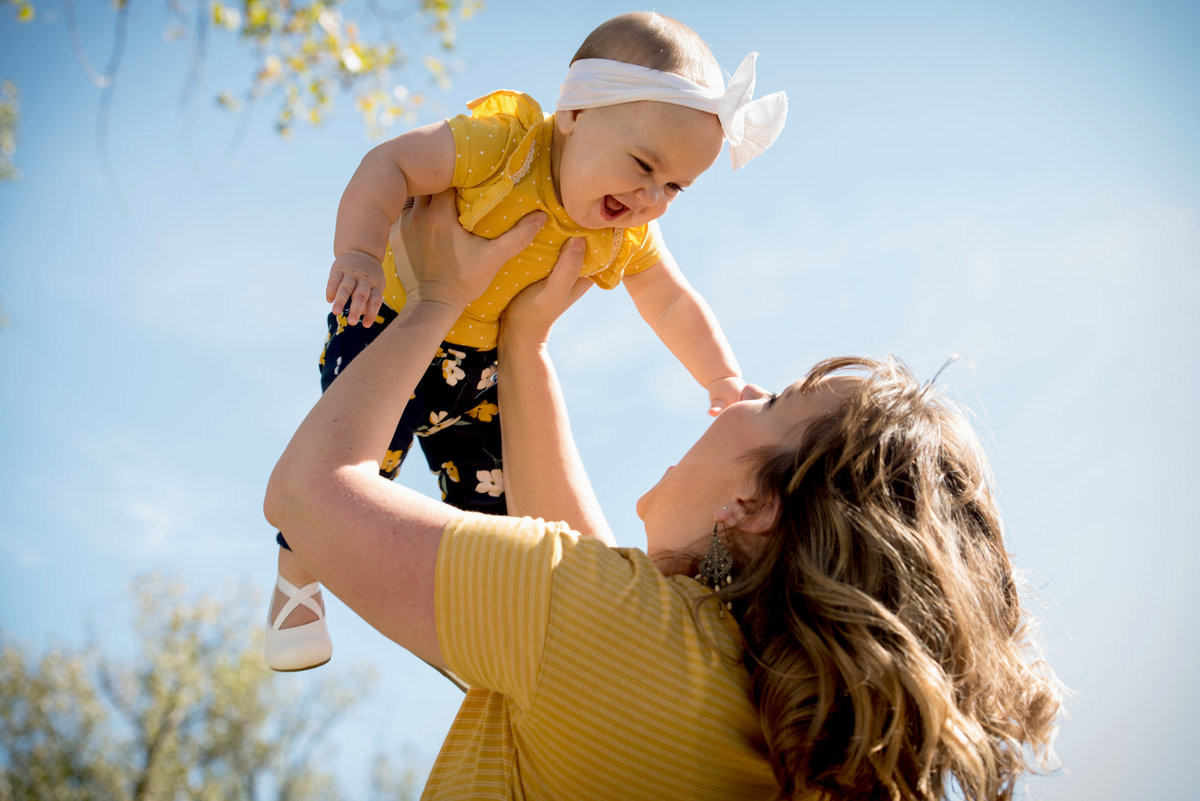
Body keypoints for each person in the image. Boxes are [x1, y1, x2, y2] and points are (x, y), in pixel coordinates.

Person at [263, 192, 1062, 800]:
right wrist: (524, 339)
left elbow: (306, 497)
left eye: (774, 406)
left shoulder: (608, 632)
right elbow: (586, 571)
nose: (740, 398)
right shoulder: (762, 723)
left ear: (754, 506)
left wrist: (438, 298)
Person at [265, 10, 789, 671]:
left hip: (479, 371)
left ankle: (482, 632)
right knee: (357, 471)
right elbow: (391, 162)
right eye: (643, 164)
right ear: (574, 113)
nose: (651, 196)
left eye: (675, 187)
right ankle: (296, 588)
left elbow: (670, 299)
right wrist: (361, 252)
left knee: (505, 511)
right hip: (389, 325)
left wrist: (720, 375)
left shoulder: (626, 235)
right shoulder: (503, 146)